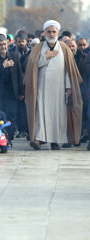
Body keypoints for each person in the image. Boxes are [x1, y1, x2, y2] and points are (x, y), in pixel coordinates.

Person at [24, 20, 83, 150]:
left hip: (59, 88)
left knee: (58, 115)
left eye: (53, 31)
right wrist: (46, 57)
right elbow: (32, 67)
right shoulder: (38, 48)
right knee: (41, 113)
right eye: (49, 31)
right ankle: (38, 139)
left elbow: (69, 69)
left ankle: (55, 141)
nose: (51, 34)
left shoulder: (64, 47)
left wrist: (68, 87)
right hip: (41, 87)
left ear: (58, 32)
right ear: (44, 32)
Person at [0, 35, 24, 145]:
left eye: (5, 44)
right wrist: (3, 66)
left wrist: (21, 91)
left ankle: (9, 138)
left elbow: (19, 75)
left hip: (12, 92)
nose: (3, 46)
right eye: (0, 45)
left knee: (11, 115)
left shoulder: (15, 56)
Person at [65, 38, 90, 147]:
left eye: (73, 46)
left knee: (84, 115)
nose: (71, 48)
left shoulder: (85, 58)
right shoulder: (61, 58)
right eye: (68, 46)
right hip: (66, 91)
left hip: (83, 92)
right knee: (68, 116)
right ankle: (70, 139)